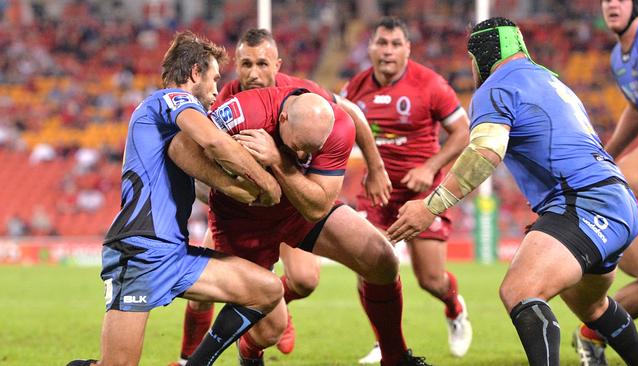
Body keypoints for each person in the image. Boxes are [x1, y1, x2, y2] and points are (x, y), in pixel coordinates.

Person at [387, 17, 638, 366]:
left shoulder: (496, 87)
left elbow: (485, 152)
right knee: (594, 306)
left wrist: (431, 207)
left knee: (520, 291)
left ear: (483, 53)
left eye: (471, 57)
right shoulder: (550, 80)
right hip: (617, 201)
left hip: (584, 203)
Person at [170, 28, 392, 366]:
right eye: (245, 64)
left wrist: (375, 167)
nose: (253, 73)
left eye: (262, 64)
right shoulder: (227, 102)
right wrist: (230, 187)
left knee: (306, 279)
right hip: (242, 215)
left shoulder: (307, 98)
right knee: (218, 294)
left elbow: (352, 115)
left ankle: (394, 353)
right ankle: (197, 354)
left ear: (278, 65)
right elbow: (187, 153)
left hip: (295, 205)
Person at [66, 30, 285, 366]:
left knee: (267, 290)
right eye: (213, 79)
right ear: (195, 73)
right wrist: (265, 184)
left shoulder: (171, 120)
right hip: (139, 250)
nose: (215, 90)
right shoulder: (167, 100)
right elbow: (214, 142)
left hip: (174, 253)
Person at [340, 16, 472, 363]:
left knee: (430, 279)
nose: (387, 51)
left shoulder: (431, 84)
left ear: (407, 49)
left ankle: (454, 306)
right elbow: (337, 131)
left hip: (422, 193)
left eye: (395, 44)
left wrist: (430, 168)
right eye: (381, 43)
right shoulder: (353, 88)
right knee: (369, 266)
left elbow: (463, 132)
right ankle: (385, 344)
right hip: (377, 190)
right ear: (370, 48)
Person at [572, 1, 638, 364]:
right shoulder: (620, 57)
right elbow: (637, 107)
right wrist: (608, 154)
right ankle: (591, 335)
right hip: (633, 189)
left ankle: (591, 334)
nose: (611, 4)